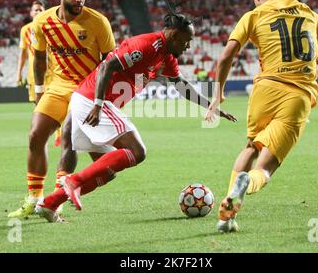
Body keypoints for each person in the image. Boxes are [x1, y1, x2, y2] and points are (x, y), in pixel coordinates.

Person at [34, 12, 237, 222]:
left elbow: (181, 85)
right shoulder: (146, 46)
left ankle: (49, 204)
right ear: (175, 35)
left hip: (90, 102)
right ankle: (73, 182)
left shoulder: (165, 57)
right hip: (93, 102)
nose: (188, 47)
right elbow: (106, 66)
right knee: (137, 151)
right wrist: (98, 105)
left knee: (106, 171)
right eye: (187, 41)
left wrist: (211, 105)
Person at [205, 0, 318, 233]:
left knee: (251, 147)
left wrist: (218, 95)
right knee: (265, 170)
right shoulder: (308, 12)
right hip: (297, 95)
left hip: (264, 89)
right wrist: (307, 60)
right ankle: (247, 184)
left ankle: (227, 217)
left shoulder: (253, 15)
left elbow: (225, 57)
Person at [8, 0, 116, 218]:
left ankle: (54, 202)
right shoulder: (43, 21)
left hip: (86, 91)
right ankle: (34, 199)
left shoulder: (99, 22)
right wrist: (38, 91)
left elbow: (110, 64)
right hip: (56, 87)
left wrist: (101, 101)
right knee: (36, 135)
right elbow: (37, 57)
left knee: (69, 138)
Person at [15, 1, 63, 146]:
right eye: (35, 10)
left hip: (52, 74)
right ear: (30, 13)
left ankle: (59, 135)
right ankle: (42, 133)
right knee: (38, 106)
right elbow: (23, 53)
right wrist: (18, 74)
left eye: (40, 10)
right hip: (33, 76)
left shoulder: (51, 28)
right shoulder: (25, 30)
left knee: (55, 105)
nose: (37, 12)